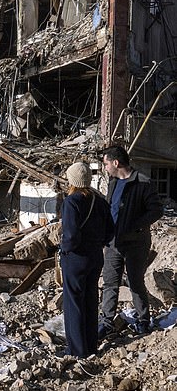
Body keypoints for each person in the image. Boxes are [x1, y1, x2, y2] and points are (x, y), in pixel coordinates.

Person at [99, 145, 163, 338]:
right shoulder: (112, 183)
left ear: (116, 163)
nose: (106, 167)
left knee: (135, 281)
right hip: (113, 243)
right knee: (110, 282)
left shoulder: (143, 182)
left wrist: (136, 226)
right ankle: (106, 322)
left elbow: (156, 210)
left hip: (136, 243)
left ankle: (143, 320)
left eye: (106, 163)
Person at [60, 162, 114, 357]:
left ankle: (77, 351)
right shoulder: (100, 201)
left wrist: (65, 250)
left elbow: (71, 236)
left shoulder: (71, 202)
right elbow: (110, 232)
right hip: (95, 257)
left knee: (73, 303)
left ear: (71, 180)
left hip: (76, 259)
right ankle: (91, 346)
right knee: (91, 301)